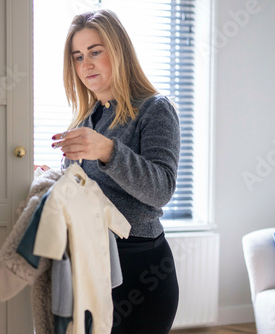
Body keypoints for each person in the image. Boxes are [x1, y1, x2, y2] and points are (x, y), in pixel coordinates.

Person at [49, 9, 181, 334]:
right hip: (91, 265)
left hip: (141, 271)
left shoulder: (154, 109)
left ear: (118, 51)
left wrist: (108, 150)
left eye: (95, 52)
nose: (86, 64)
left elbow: (161, 189)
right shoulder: (84, 120)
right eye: (78, 57)